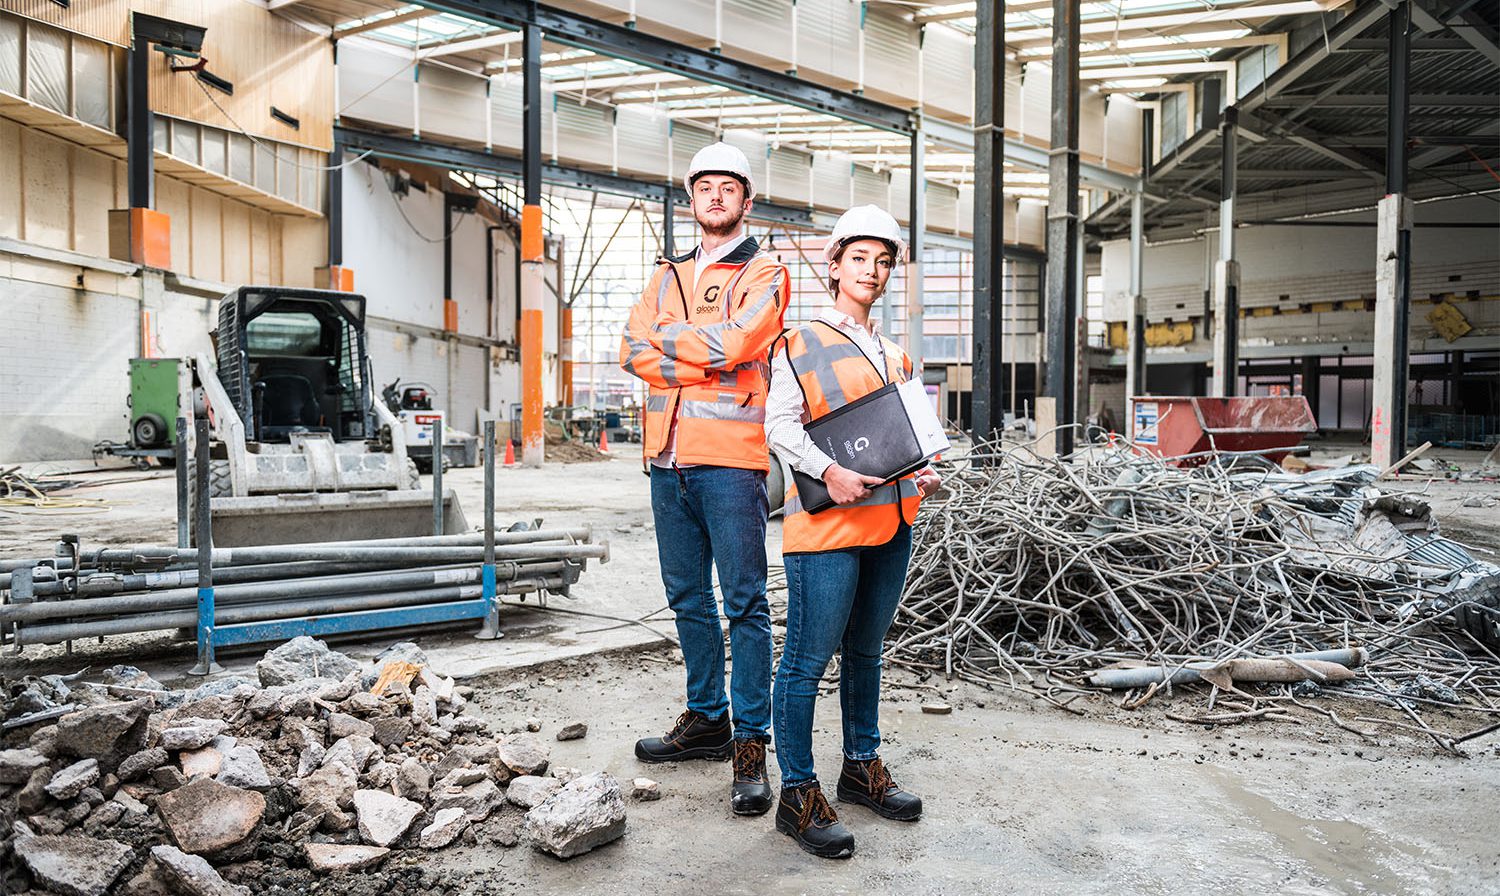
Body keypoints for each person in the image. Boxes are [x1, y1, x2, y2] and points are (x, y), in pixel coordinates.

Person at [618, 142, 790, 817]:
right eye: (704, 187)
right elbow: (631, 348)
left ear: (746, 201)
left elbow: (741, 343)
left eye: (729, 187)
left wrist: (673, 341)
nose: (715, 196)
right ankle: (706, 719)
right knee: (687, 598)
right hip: (666, 461)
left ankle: (751, 744)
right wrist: (695, 351)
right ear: (691, 200)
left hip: (730, 460)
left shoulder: (766, 271)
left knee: (744, 603)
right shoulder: (665, 274)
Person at [765, 205, 941, 859]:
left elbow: (909, 438)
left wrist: (923, 473)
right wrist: (827, 470)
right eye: (860, 258)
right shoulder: (800, 340)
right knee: (806, 664)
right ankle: (799, 795)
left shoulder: (895, 353)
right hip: (828, 526)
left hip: (893, 520)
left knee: (866, 652)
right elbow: (778, 426)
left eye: (884, 260)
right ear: (834, 266)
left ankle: (860, 768)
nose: (872, 270)